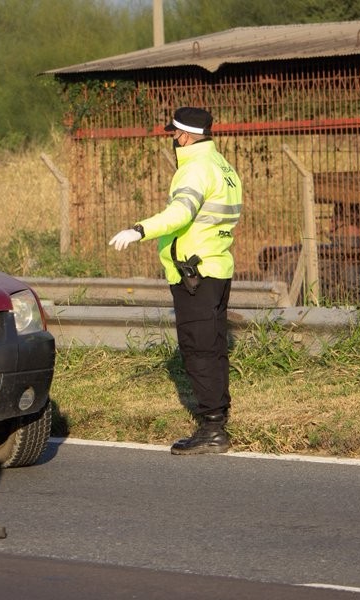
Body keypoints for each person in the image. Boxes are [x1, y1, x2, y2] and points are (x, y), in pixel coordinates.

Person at [108, 106, 242, 455]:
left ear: (184, 136)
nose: (172, 139)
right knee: (213, 347)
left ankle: (212, 429)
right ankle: (218, 419)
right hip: (217, 267)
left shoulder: (194, 170)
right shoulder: (223, 167)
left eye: (174, 134)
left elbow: (180, 213)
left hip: (194, 274)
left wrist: (140, 230)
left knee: (198, 350)